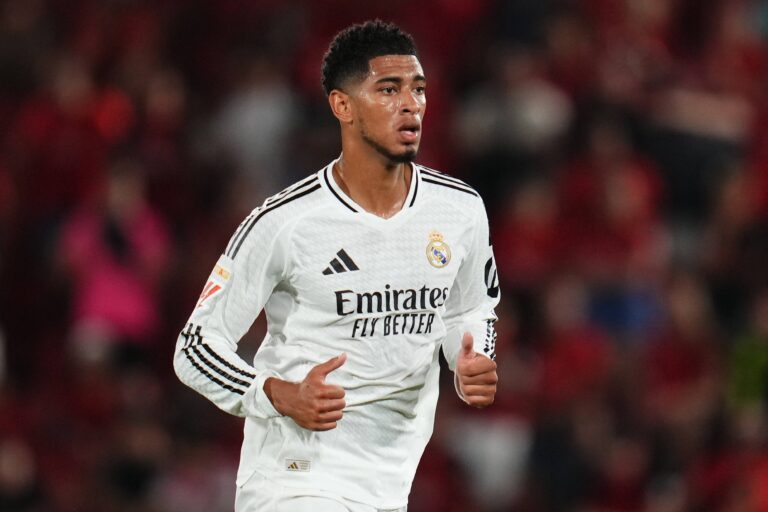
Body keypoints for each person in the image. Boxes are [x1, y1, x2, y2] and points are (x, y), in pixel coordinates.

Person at [173, 20, 499, 512]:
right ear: (342, 106)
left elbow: (469, 309)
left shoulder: (460, 209)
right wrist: (276, 393)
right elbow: (195, 347)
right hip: (295, 478)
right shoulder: (286, 222)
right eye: (388, 90)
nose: (410, 104)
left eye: (419, 89)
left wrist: (469, 358)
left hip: (390, 482)